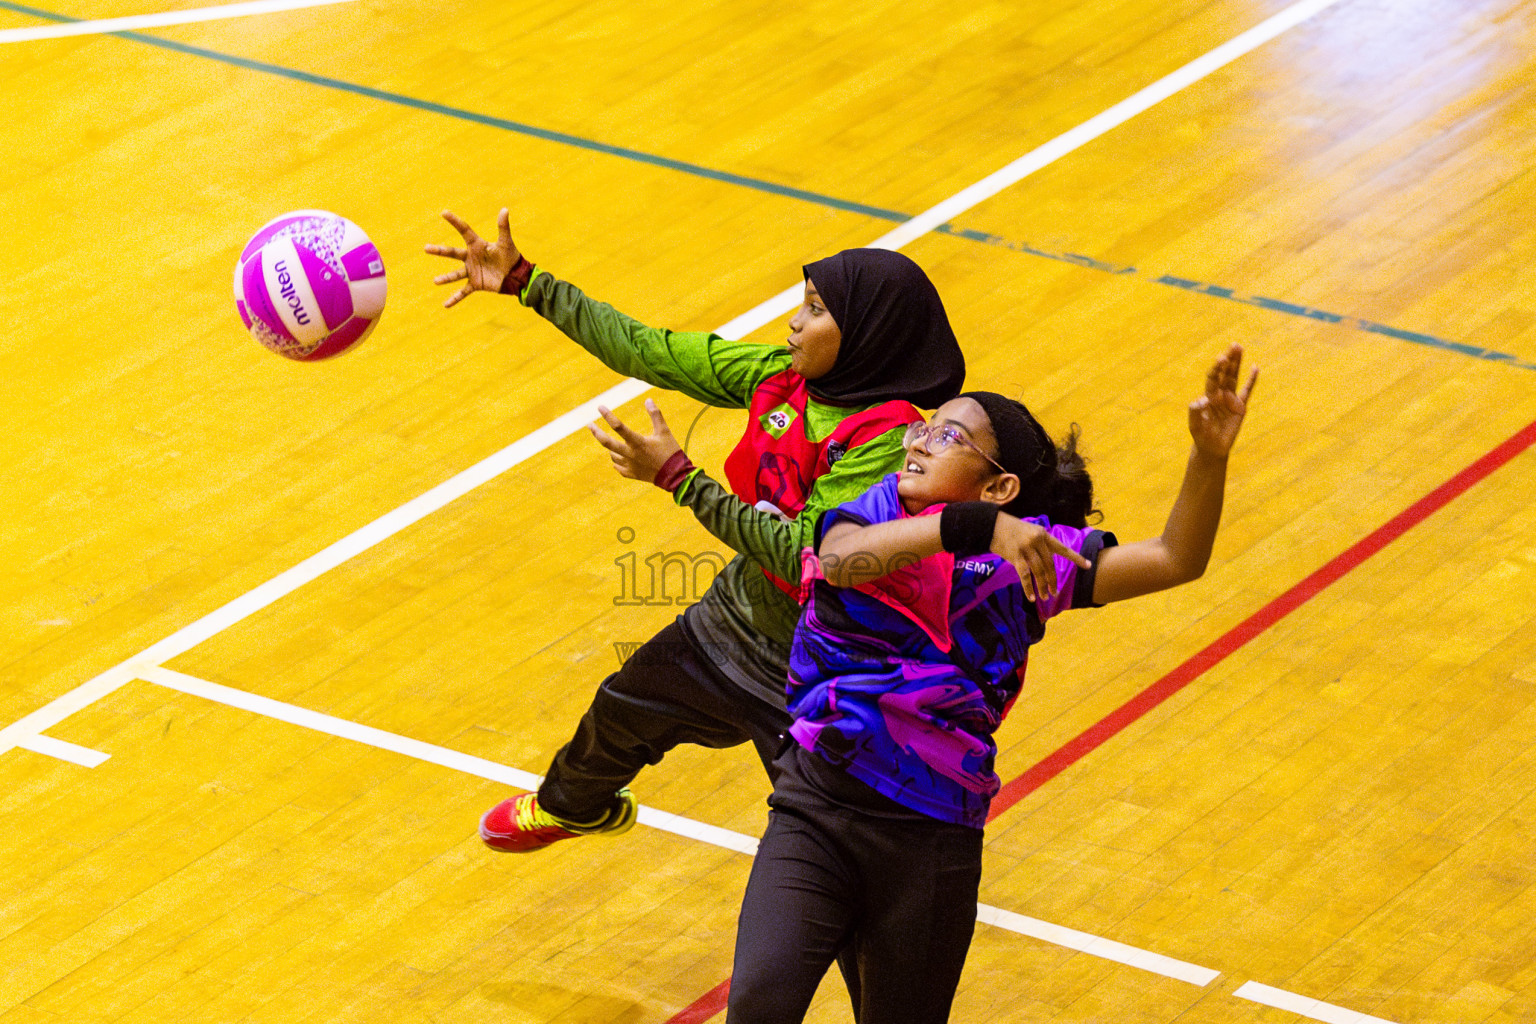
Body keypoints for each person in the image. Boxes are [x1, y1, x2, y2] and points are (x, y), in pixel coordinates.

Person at [427, 211, 1078, 855]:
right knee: (620, 709)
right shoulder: (780, 379)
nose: (796, 321)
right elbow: (647, 348)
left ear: (867, 337)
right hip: (731, 620)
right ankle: (571, 807)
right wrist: (527, 282)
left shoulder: (886, 442)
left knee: (819, 841)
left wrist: (681, 478)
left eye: (818, 310)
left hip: (823, 669)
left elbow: (804, 555)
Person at [722, 346, 1258, 1023]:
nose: (918, 441)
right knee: (757, 1006)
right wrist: (962, 525)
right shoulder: (871, 514)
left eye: (950, 436)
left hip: (931, 838)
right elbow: (841, 561)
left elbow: (1175, 558)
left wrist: (1208, 457)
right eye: (925, 426)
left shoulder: (1023, 563)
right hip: (815, 809)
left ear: (1000, 487)